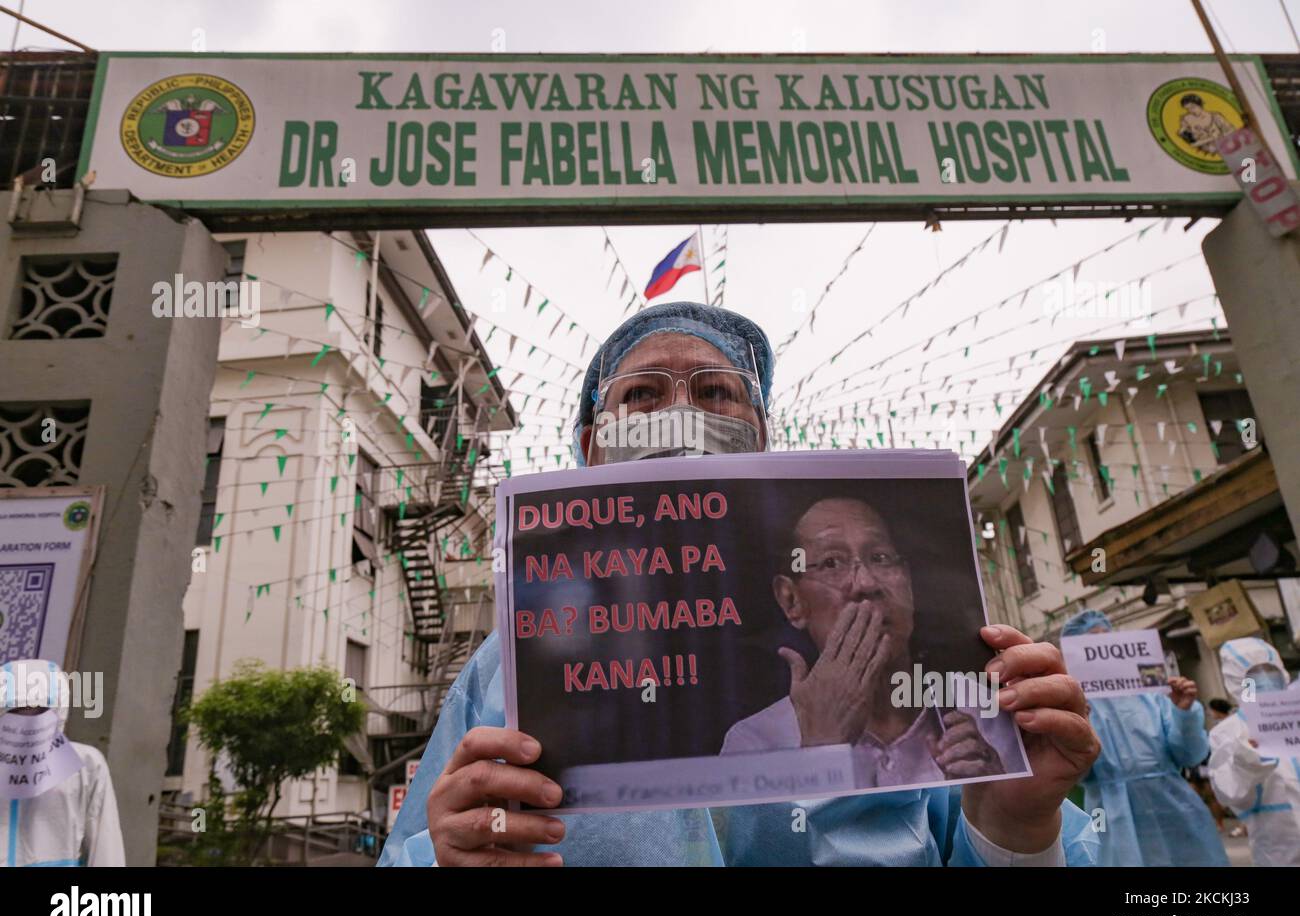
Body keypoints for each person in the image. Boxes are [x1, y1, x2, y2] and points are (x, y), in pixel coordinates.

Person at [380, 301, 1101, 867]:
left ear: (760, 435)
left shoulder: (918, 678)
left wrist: (1018, 826)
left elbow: (989, 846)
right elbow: (425, 847)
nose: (681, 411)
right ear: (591, 447)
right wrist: (453, 855)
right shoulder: (509, 672)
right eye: (641, 394)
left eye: (716, 390)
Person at [721, 496, 1026, 789]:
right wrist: (821, 750)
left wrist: (999, 810)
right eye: (831, 563)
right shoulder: (754, 742)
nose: (866, 584)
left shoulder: (987, 710)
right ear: (791, 601)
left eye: (880, 558)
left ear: (908, 582)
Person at [1064, 609, 1228, 866]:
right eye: (1091, 642)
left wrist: (1183, 712)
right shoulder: (1076, 704)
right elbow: (1079, 773)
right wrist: (1076, 725)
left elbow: (1189, 754)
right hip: (1112, 813)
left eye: (1106, 638)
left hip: (1174, 805)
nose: (1102, 648)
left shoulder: (1152, 693)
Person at [0, 659, 124, 867]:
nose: (28, 720)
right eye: (17, 710)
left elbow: (105, 847)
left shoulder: (85, 764)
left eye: (39, 710)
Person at [1207, 637, 1300, 866]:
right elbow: (1231, 793)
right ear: (1238, 684)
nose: (1266, 682)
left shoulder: (1295, 714)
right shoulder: (1229, 732)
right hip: (1279, 848)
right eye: (1254, 678)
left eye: (1271, 673)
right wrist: (1249, 757)